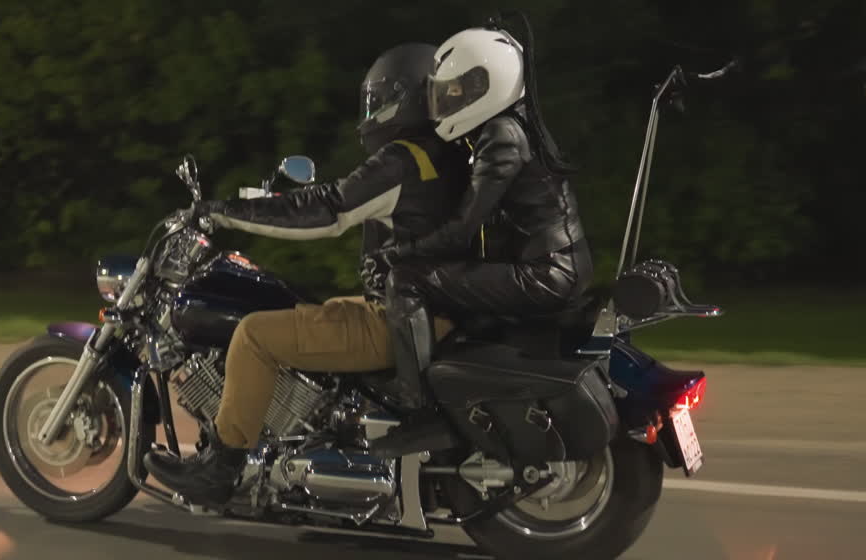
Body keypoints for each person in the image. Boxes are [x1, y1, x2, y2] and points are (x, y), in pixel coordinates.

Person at [143, 42, 467, 506]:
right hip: (426, 310)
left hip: (402, 317)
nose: (372, 113)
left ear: (405, 99)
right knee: (315, 311)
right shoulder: (441, 155)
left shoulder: (402, 161)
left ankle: (220, 469)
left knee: (254, 333)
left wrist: (222, 212)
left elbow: (327, 210)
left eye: (378, 101)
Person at [375, 25, 594, 414]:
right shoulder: (513, 125)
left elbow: (463, 228)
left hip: (544, 275)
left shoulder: (502, 136)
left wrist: (398, 253)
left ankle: (415, 398)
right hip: (556, 265)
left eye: (457, 91)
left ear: (486, 87)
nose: (447, 101)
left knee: (406, 280)